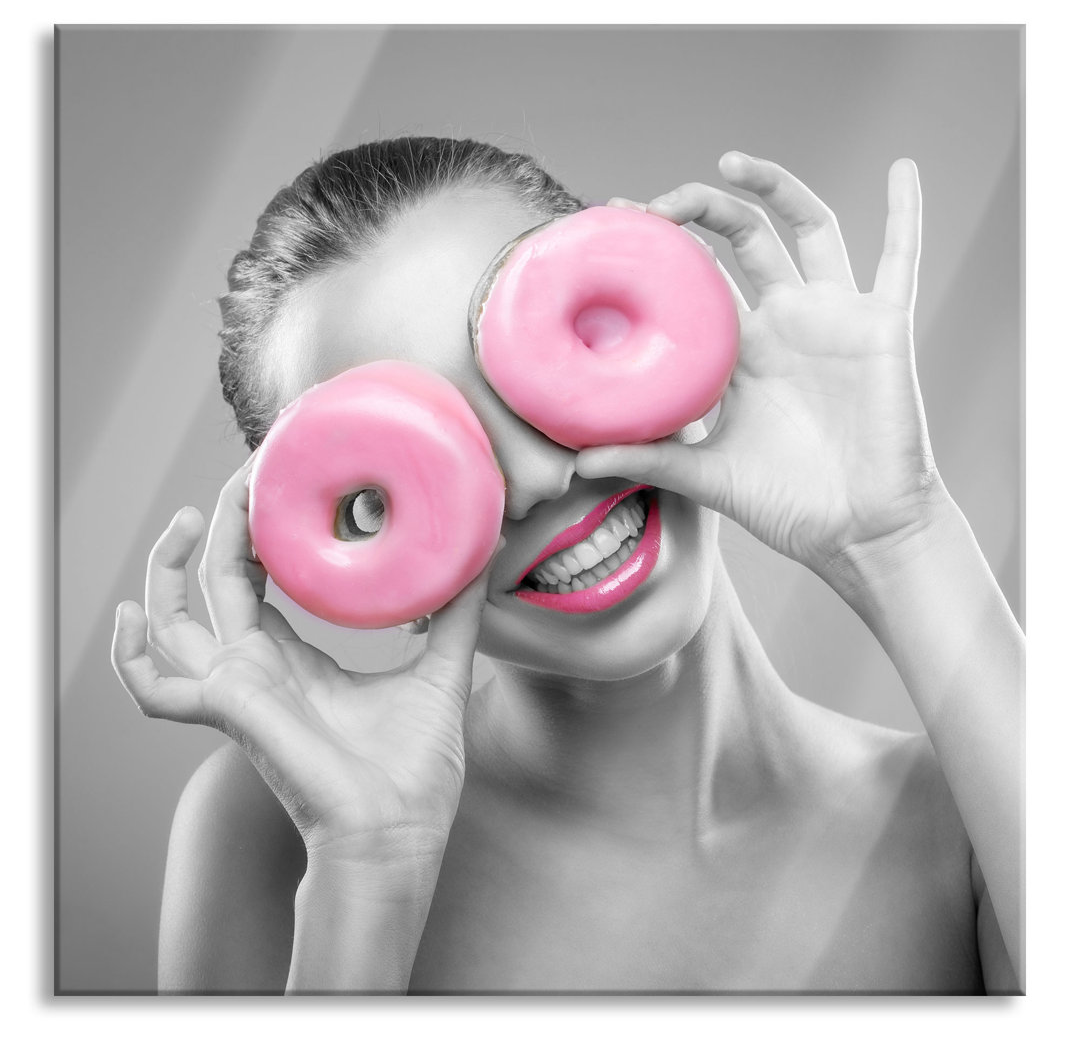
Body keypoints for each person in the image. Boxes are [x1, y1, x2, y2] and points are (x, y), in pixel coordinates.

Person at [110, 136, 1023, 994]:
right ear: (344, 566)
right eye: (392, 485)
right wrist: (368, 872)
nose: (539, 479)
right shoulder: (280, 833)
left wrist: (898, 537)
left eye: (552, 361)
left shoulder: (979, 819)